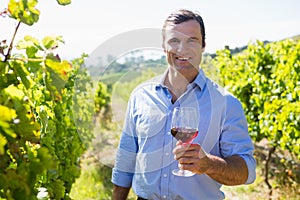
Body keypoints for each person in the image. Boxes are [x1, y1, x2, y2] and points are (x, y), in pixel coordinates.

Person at [111, 9, 256, 200]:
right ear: (163, 46)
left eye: (192, 40)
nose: (182, 49)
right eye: (174, 41)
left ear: (203, 45)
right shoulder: (141, 96)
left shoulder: (226, 103)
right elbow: (126, 161)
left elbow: (247, 171)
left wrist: (209, 164)